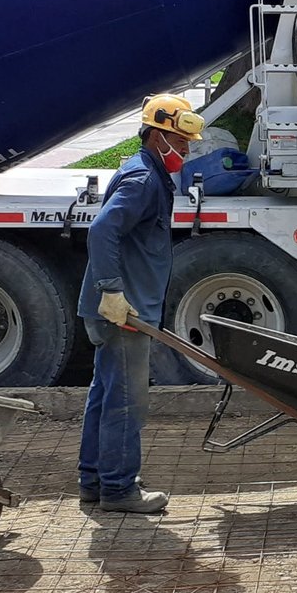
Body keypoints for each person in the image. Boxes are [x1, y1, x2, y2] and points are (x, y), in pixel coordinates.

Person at [78, 93, 203, 514]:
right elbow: (101, 231)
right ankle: (119, 489)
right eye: (178, 141)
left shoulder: (144, 170)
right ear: (155, 135)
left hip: (118, 304)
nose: (185, 150)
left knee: (107, 392)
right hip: (123, 309)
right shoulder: (143, 180)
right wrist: (112, 291)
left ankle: (95, 480)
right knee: (128, 399)